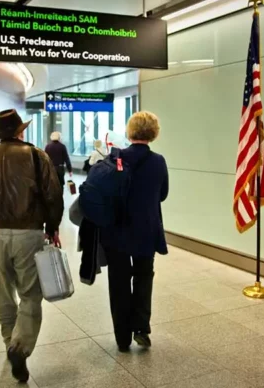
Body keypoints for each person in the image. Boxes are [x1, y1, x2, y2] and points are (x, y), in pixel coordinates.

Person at [0, 109, 63, 383]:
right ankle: (20, 347)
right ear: (20, 131)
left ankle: (9, 343)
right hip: (28, 233)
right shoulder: (36, 156)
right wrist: (53, 227)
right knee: (30, 293)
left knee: (1, 292)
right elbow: (52, 194)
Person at [100, 111, 169, 352]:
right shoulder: (158, 161)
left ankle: (122, 337)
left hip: (116, 232)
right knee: (143, 278)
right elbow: (163, 194)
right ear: (153, 132)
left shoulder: (114, 159)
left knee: (118, 281)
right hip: (146, 231)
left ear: (130, 132)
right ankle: (141, 328)